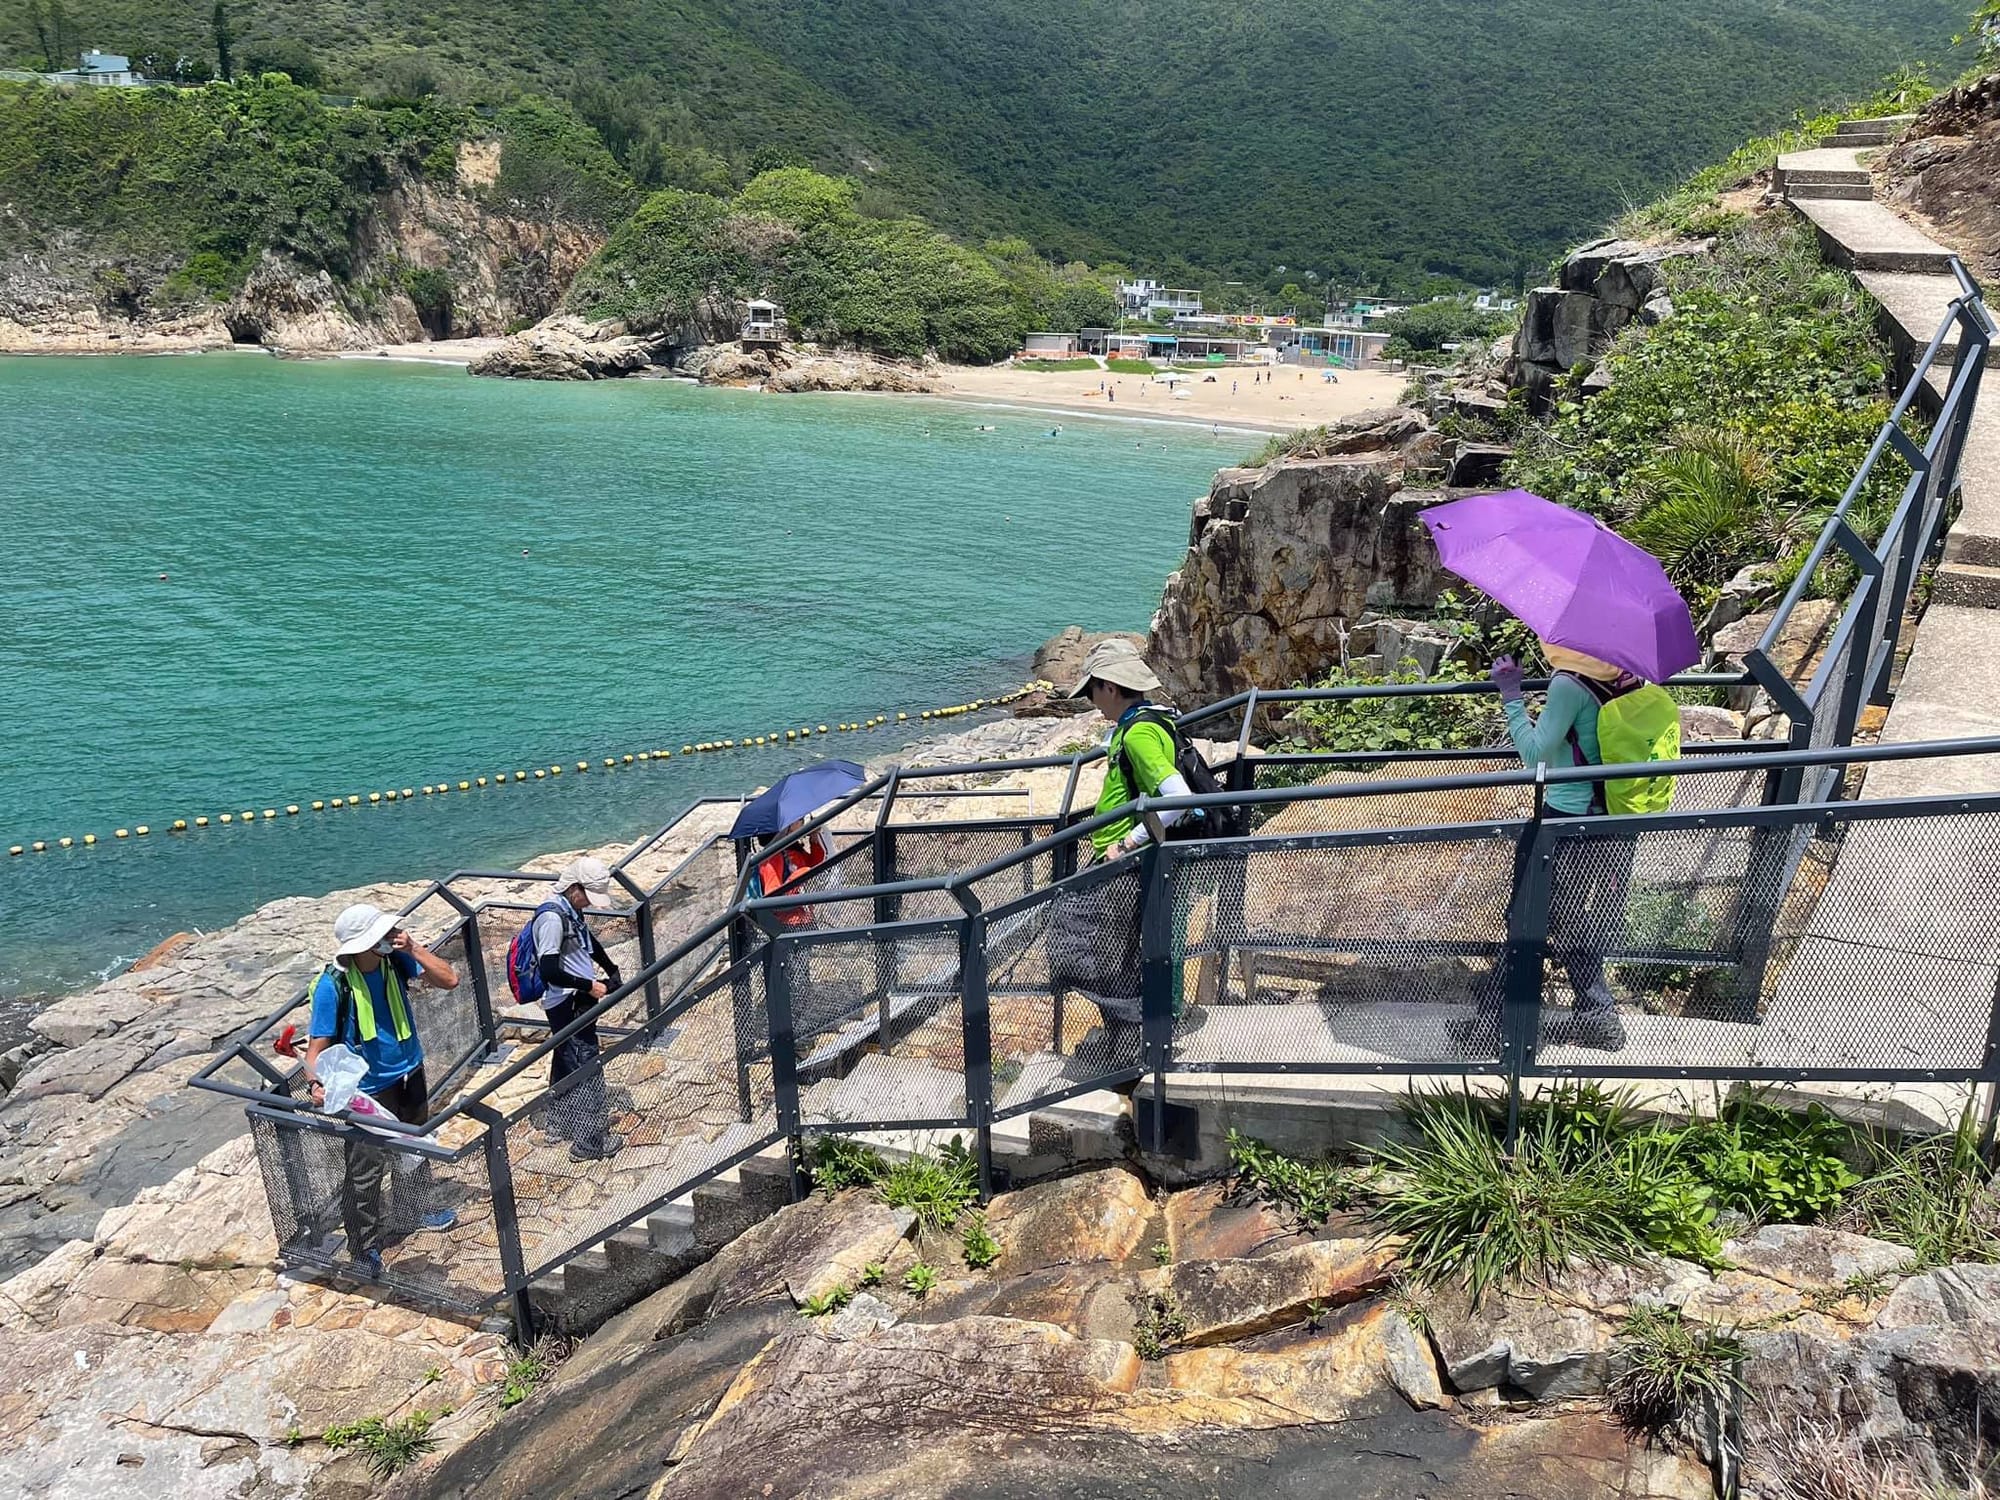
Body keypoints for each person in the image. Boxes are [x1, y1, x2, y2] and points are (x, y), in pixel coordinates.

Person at [304, 903, 461, 1278]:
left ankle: (415, 1209)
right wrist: (316, 1083)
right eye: (382, 935)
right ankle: (364, 1247)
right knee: (364, 1172)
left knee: (415, 1147)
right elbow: (316, 1048)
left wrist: (414, 948)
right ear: (362, 944)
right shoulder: (333, 985)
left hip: (409, 1072)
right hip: (367, 1092)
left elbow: (450, 980)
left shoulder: (396, 962)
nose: (390, 938)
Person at [1487, 644, 1632, 1051]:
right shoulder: (1623, 672)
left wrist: (1512, 695)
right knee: (1549, 915)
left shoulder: (1569, 682)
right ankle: (1497, 1014)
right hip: (1609, 815)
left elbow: (1534, 756)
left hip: (1566, 820)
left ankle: (1592, 1015)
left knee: (1534, 914)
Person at [532, 857, 627, 1160]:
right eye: (587, 895)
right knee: (587, 1066)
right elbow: (549, 969)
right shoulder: (551, 918)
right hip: (567, 1003)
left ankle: (556, 1124)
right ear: (574, 888)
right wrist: (588, 985)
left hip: (575, 1000)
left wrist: (609, 968)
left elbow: (587, 943)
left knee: (566, 1059)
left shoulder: (570, 911)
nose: (588, 902)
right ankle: (590, 1143)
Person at [751, 818, 829, 928]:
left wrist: (814, 839)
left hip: (804, 917)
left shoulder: (793, 849)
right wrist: (800, 875)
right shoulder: (772, 859)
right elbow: (773, 898)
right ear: (788, 827)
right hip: (788, 924)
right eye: (800, 819)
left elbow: (813, 864)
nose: (803, 823)